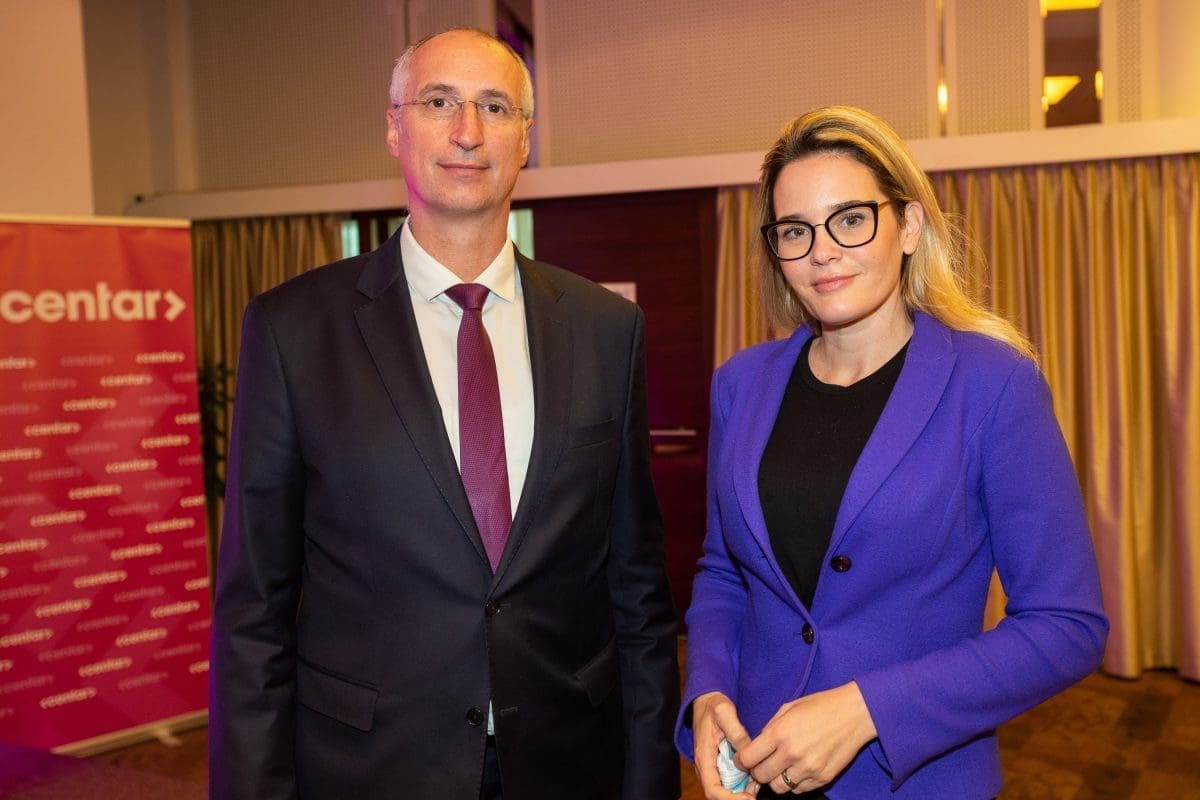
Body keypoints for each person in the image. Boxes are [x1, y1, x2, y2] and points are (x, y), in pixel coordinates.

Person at [209, 28, 680, 800]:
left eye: (495, 107)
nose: (467, 131)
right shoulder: (294, 329)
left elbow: (636, 588)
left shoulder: (606, 329)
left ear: (525, 138)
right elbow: (254, 609)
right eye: (439, 102)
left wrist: (650, 778)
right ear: (394, 128)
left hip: (568, 761)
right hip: (371, 769)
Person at [676, 106, 1108, 799]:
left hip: (916, 779)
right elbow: (724, 572)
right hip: (759, 769)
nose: (822, 252)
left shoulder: (993, 384)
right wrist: (709, 692)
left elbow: (1066, 625)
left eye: (850, 220)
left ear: (908, 226)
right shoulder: (741, 384)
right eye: (795, 230)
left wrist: (867, 710)